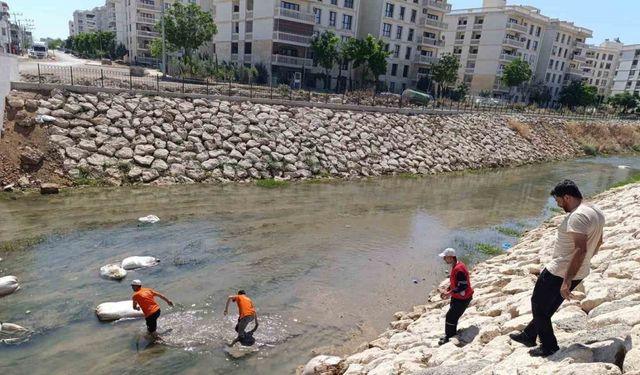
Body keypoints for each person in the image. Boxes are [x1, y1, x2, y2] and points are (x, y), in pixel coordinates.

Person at [510, 179, 604, 357]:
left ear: (567, 197)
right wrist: (585, 262)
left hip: (560, 270)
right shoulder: (595, 210)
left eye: (559, 201)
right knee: (550, 305)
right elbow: (599, 241)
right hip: (580, 270)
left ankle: (549, 346)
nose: (559, 205)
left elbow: (580, 248)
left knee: (538, 304)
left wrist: (566, 280)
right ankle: (529, 334)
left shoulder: (577, 216)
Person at [438, 247, 474, 345]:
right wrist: (449, 289)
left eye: (445, 257)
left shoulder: (459, 269)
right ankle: (451, 335)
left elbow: (463, 285)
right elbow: (456, 282)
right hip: (457, 297)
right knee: (452, 317)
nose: (443, 259)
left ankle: (449, 337)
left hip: (463, 299)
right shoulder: (456, 265)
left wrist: (449, 293)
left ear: (451, 257)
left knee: (450, 317)